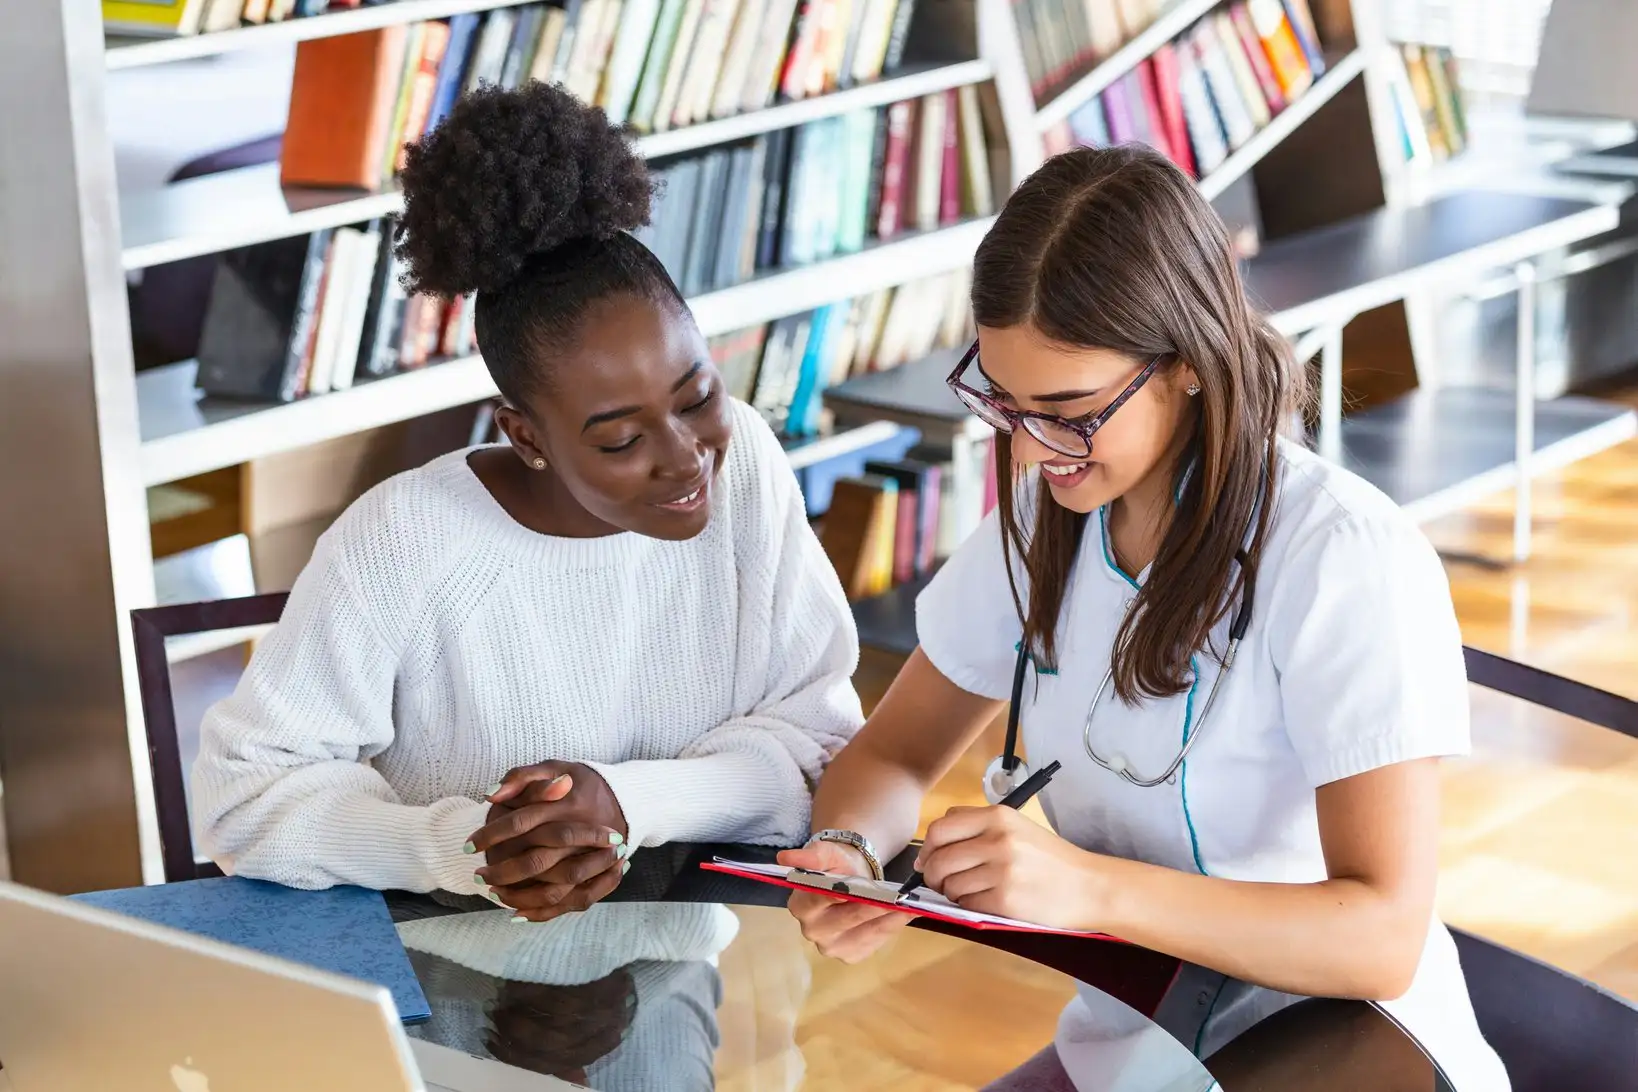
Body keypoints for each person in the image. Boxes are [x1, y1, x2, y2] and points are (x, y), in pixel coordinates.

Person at [778, 144, 1509, 1091]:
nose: (1037, 450)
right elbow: (891, 756)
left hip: (1344, 1048)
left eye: (1070, 410)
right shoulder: (1050, 517)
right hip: (1140, 1043)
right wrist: (849, 852)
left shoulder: (1341, 556)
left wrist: (1085, 891)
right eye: (1005, 404)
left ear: (1189, 365)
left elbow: (1380, 940)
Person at [190, 81, 864, 923]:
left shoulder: (747, 467)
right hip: (431, 987)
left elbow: (821, 745)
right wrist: (473, 847)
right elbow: (246, 802)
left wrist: (624, 804)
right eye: (620, 440)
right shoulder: (404, 540)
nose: (686, 455)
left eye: (696, 396)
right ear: (527, 435)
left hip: (677, 975)